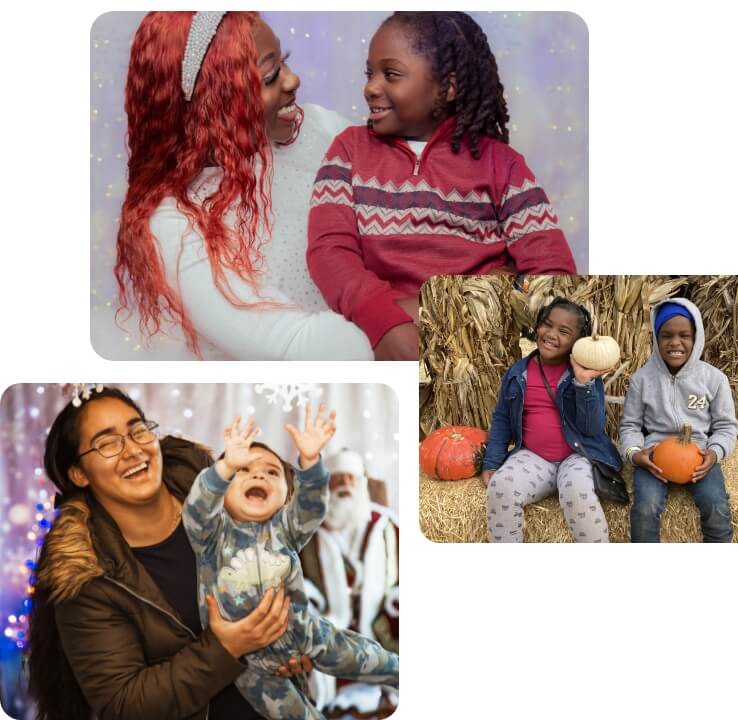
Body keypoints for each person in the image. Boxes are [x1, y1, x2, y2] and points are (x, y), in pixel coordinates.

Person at [27, 386, 310, 720]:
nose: (132, 450)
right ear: (79, 474)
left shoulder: (217, 488)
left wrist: (292, 638)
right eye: (106, 443)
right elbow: (124, 704)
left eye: (137, 430)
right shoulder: (86, 579)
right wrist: (226, 649)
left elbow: (281, 548)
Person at [307, 11, 577, 360]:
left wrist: (428, 309)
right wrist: (385, 322)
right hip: (374, 336)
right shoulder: (348, 150)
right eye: (370, 73)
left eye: (391, 74)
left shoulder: (502, 164)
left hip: (476, 344)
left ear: (448, 88)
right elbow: (329, 252)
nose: (371, 87)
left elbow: (553, 272)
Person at [115, 11, 373, 360]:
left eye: (284, 62)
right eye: (269, 76)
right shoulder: (173, 224)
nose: (293, 80)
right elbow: (297, 347)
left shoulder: (321, 129)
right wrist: (398, 318)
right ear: (212, 103)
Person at [182, 415, 399, 720]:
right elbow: (197, 508)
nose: (258, 476)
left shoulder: (285, 528)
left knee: (379, 661)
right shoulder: (211, 534)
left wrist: (310, 463)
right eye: (243, 470)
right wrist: (224, 466)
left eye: (271, 472)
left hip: (307, 635)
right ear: (223, 490)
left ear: (286, 495)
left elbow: (311, 507)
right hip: (248, 662)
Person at [482, 298, 621, 543]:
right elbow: (502, 418)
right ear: (537, 326)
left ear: (578, 342)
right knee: (501, 487)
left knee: (577, 491)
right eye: (547, 324)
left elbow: (592, 428)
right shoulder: (517, 373)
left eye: (564, 331)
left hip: (577, 455)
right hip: (535, 457)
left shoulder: (585, 376)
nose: (552, 334)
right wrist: (492, 463)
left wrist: (583, 383)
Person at [620, 299, 738, 542]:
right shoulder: (642, 380)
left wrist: (714, 454)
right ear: (656, 339)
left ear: (696, 339)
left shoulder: (714, 379)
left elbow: (726, 427)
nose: (675, 342)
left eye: (684, 335)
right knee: (645, 508)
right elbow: (630, 425)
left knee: (716, 506)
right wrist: (635, 454)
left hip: (698, 457)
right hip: (655, 458)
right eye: (666, 335)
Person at [300, 449, 399, 716]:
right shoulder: (307, 531)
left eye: (352, 478)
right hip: (330, 628)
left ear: (362, 483)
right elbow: (297, 580)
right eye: (338, 478)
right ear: (326, 484)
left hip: (381, 624)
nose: (345, 485)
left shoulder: (386, 526)